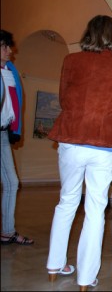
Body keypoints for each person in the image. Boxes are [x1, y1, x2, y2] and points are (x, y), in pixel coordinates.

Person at [46, 15, 112, 290]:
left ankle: (54, 265)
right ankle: (86, 278)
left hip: (72, 138)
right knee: (96, 208)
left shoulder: (71, 61)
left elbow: (63, 98)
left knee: (67, 201)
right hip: (104, 142)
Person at [1, 29, 34, 246]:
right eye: (6, 47)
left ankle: (7, 231)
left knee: (12, 182)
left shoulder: (11, 71)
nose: (10, 51)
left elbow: (15, 103)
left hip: (3, 133)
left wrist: (15, 129)